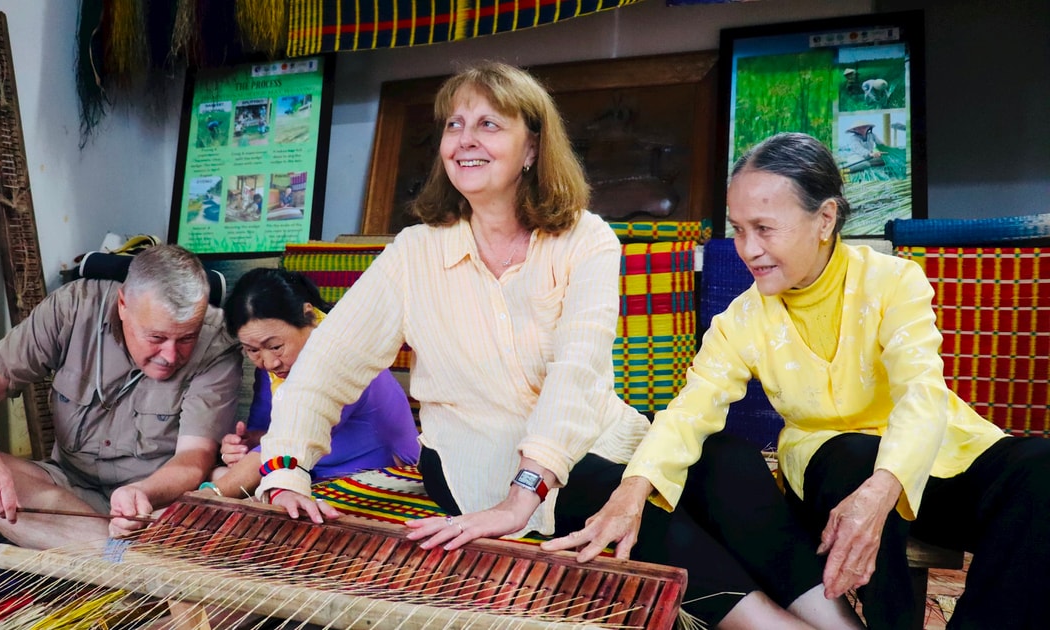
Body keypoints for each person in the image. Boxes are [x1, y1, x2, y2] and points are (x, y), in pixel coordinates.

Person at [252, 63, 860, 629]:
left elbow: (578, 372)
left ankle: (839, 623)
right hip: (474, 454)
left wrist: (528, 493)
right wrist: (284, 468)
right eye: (454, 125)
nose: (465, 139)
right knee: (603, 494)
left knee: (723, 457)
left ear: (533, 147)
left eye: (489, 124)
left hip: (595, 433)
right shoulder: (414, 252)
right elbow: (327, 363)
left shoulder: (586, 239)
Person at [552, 131, 1050, 629]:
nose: (748, 249)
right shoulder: (741, 319)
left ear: (825, 219)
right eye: (739, 229)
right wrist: (633, 489)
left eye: (765, 228)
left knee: (1038, 466)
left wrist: (883, 490)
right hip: (835, 466)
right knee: (855, 456)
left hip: (932, 457)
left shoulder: (894, 280)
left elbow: (922, 393)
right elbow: (689, 412)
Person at [0, 244, 242, 549]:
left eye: (186, 339)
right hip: (68, 491)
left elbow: (192, 460)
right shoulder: (74, 307)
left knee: (216, 498)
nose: (170, 356)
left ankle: (79, 547)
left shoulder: (217, 345)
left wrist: (140, 493)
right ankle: (121, 556)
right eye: (156, 338)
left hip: (151, 505)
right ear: (123, 304)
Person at [201, 268, 419, 498]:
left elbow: (294, 436)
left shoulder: (342, 356)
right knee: (222, 475)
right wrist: (243, 445)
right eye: (253, 350)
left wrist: (211, 495)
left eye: (276, 346)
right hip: (312, 471)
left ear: (309, 315)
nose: (269, 362)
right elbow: (267, 435)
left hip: (375, 476)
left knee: (227, 488)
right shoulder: (277, 370)